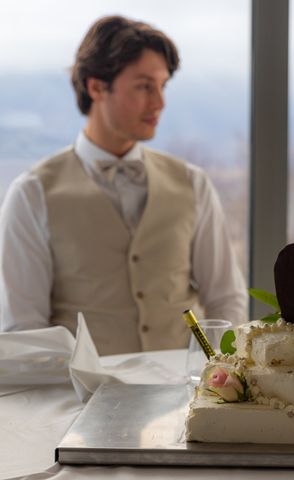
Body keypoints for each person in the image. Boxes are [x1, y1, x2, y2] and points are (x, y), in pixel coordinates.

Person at [0, 15, 247, 355]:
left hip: (185, 397)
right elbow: (23, 329)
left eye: (163, 86)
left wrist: (219, 375)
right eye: (145, 86)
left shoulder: (193, 183)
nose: (159, 102)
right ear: (96, 86)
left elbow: (226, 299)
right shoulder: (31, 194)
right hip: (80, 401)